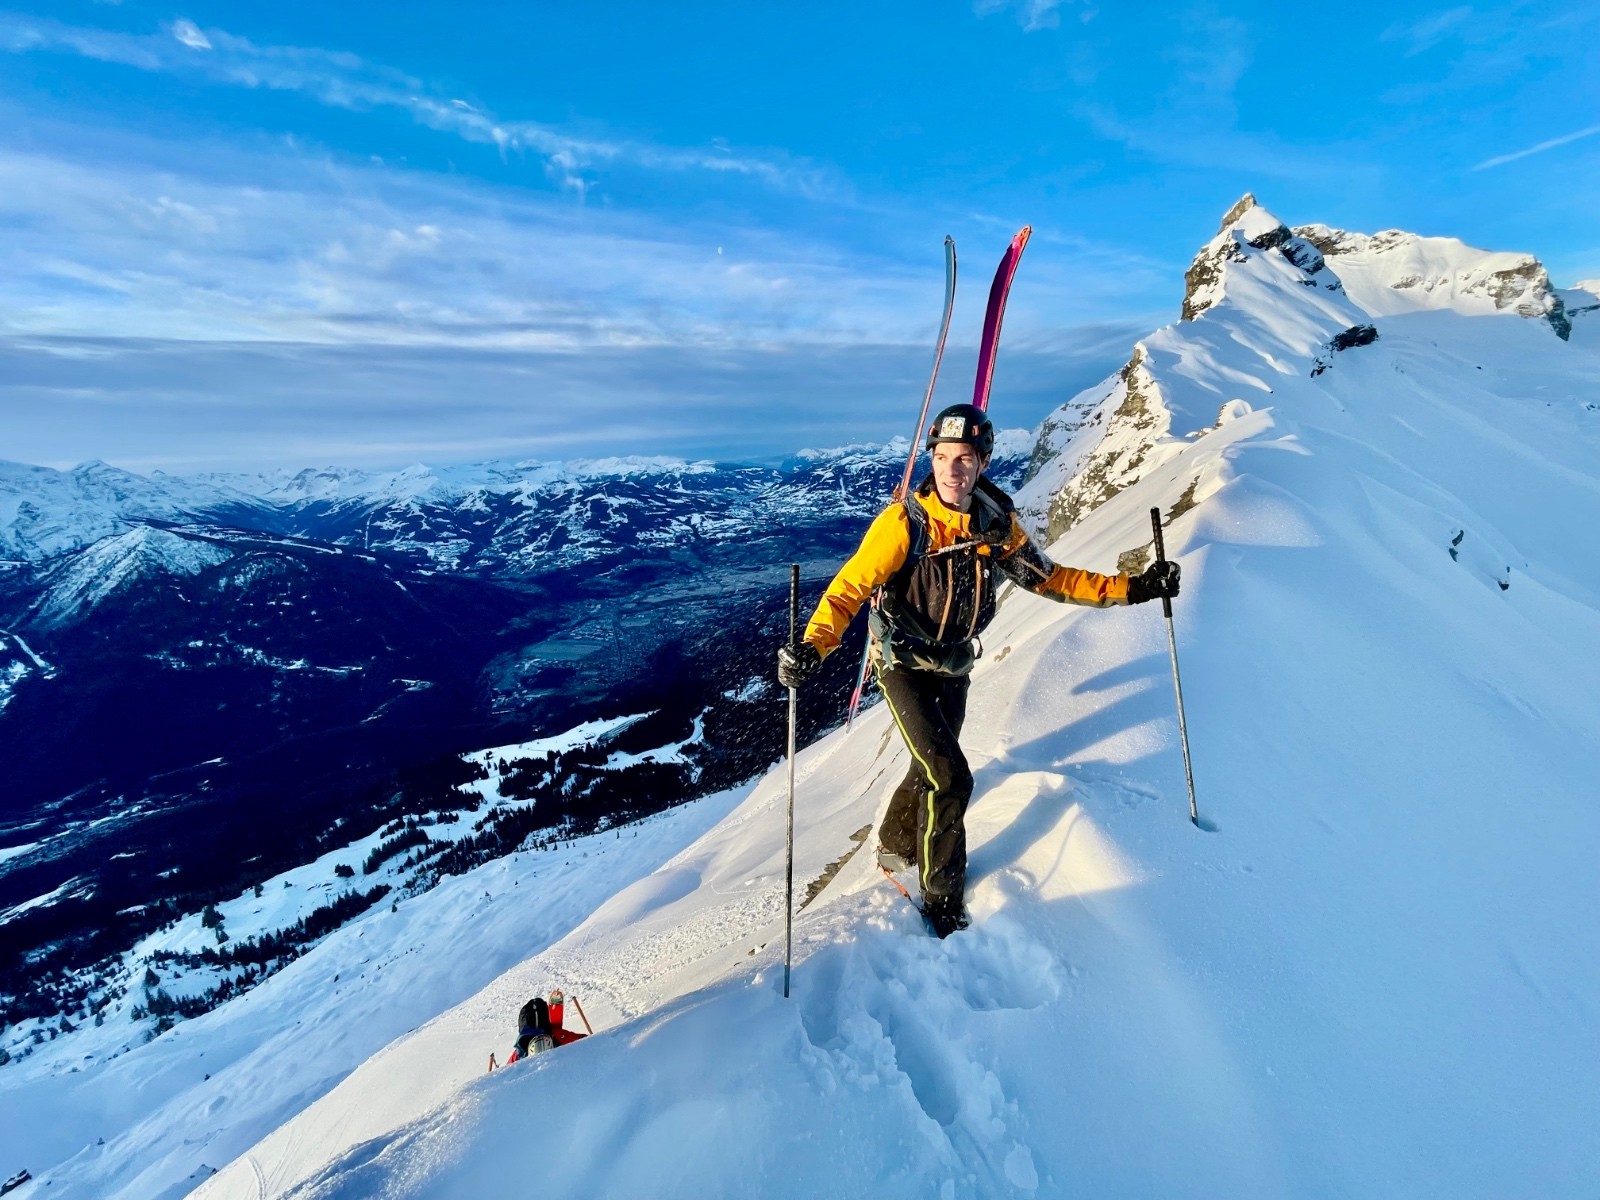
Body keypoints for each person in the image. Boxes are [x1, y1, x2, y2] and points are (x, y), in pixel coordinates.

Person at [777, 403, 1180, 937]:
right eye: (943, 457)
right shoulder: (905, 525)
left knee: (932, 764)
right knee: (950, 774)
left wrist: (1134, 588)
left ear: (983, 462)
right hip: (900, 661)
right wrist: (812, 646)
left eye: (964, 458)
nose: (952, 470)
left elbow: (1051, 579)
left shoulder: (995, 527)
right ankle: (941, 900)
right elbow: (850, 587)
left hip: (954, 665)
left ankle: (897, 843)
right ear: (932, 460)